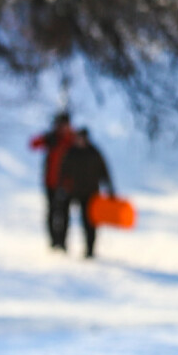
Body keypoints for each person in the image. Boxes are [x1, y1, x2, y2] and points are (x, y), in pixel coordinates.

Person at [56, 128, 116, 258]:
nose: (80, 141)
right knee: (65, 218)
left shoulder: (94, 153)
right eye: (78, 138)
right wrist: (60, 187)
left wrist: (110, 190)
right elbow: (62, 171)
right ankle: (62, 243)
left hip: (90, 193)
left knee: (89, 222)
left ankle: (90, 249)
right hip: (73, 191)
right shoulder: (71, 152)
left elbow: (104, 172)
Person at [29, 111, 74, 250]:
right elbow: (33, 144)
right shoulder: (51, 138)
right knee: (51, 212)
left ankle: (63, 241)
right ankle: (53, 241)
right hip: (50, 182)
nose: (62, 128)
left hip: (66, 184)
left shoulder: (71, 139)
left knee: (65, 213)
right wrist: (47, 137)